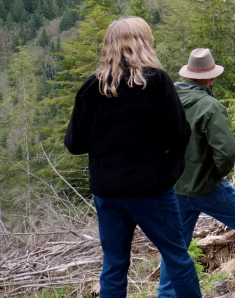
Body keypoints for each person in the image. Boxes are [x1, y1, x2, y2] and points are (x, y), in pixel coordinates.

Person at [64, 17, 201, 298]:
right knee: (176, 256)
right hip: (151, 190)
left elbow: (74, 144)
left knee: (114, 264)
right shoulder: (156, 82)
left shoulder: (92, 87)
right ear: (144, 42)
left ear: (109, 46)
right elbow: (178, 134)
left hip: (108, 192)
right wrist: (168, 166)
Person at [157, 48, 235, 296]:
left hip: (174, 187)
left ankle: (166, 293)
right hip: (206, 187)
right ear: (211, 78)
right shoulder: (210, 106)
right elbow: (226, 151)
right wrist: (219, 173)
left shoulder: (168, 101)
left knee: (175, 244)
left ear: (188, 75)